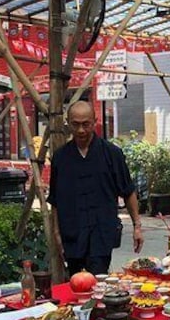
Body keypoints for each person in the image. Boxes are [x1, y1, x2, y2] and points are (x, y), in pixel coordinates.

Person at [47, 101, 144, 276]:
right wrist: (56, 233)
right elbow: (55, 200)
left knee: (98, 282)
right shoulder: (60, 158)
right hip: (72, 234)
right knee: (76, 282)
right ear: (68, 123)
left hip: (102, 232)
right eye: (75, 124)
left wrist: (137, 226)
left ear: (95, 121)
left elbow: (128, 191)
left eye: (86, 124)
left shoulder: (112, 154)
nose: (81, 130)